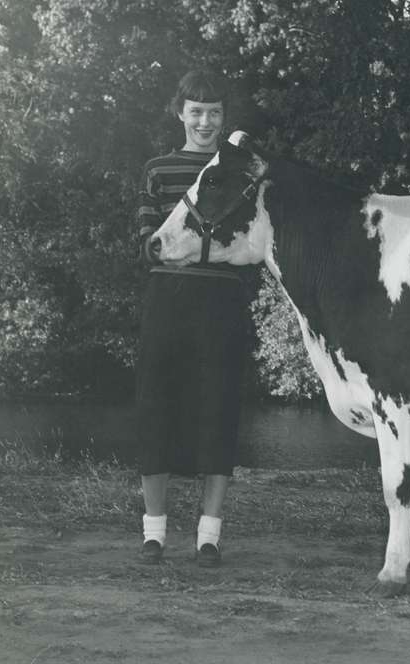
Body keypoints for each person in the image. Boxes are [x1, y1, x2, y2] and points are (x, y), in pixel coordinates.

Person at [134, 69, 248, 567]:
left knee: (217, 413)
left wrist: (202, 254)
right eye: (196, 111)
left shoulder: (240, 172)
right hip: (167, 301)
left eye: (215, 112)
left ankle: (209, 536)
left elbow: (250, 248)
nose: (205, 121)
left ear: (225, 118)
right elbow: (145, 243)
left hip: (222, 306)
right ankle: (153, 534)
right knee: (156, 410)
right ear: (180, 113)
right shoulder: (158, 168)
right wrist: (194, 251)